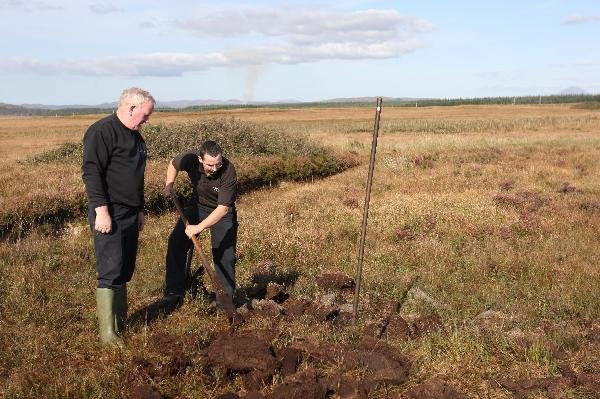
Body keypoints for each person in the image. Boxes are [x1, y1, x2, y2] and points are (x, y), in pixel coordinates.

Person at [82, 87, 155, 346]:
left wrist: (141, 209)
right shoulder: (102, 131)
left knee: (125, 268)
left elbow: (137, 178)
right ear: (130, 107)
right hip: (109, 211)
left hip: (131, 212)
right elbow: (91, 173)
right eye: (145, 115)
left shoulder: (137, 138)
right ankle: (108, 335)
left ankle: (121, 322)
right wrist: (101, 210)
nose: (146, 120)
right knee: (110, 269)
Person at [161, 140, 238, 307]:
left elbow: (223, 209)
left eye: (218, 163)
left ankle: (225, 302)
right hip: (197, 206)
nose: (215, 168)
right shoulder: (190, 159)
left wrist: (199, 227)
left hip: (221, 212)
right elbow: (174, 163)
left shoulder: (228, 170)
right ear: (200, 159)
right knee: (176, 242)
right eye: (210, 165)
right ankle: (174, 291)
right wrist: (169, 184)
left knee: (225, 254)